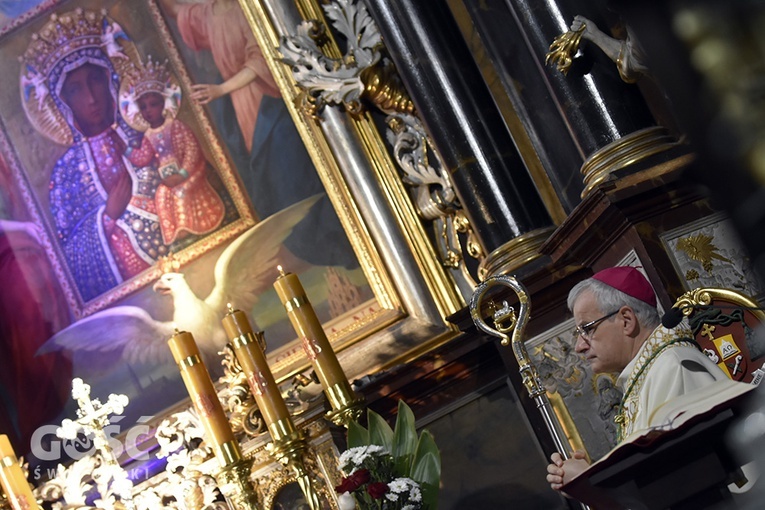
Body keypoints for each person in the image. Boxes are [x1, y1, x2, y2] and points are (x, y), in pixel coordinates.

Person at [159, 0, 358, 272]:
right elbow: (178, 13)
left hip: (268, 99)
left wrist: (221, 89)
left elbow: (260, 59)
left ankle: (346, 242)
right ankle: (336, 247)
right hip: (245, 109)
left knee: (291, 178)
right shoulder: (208, 13)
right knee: (271, 183)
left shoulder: (240, 8)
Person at [21, 9, 167, 302]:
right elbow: (70, 253)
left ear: (111, 80)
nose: (91, 97)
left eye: (96, 81)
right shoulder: (66, 173)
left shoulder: (148, 135)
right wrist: (106, 216)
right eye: (75, 89)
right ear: (62, 104)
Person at [545, 266, 731, 492]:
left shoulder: (674, 367)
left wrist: (592, 481)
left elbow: (683, 479)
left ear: (626, 320)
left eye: (587, 329)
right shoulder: (647, 374)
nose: (579, 346)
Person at [122, 57, 225, 245]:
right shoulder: (148, 135)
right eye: (143, 107)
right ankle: (175, 235)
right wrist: (126, 150)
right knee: (161, 195)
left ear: (163, 104)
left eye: (153, 104)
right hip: (169, 178)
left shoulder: (175, 126)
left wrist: (183, 173)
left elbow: (192, 150)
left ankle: (189, 229)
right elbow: (143, 157)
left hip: (191, 170)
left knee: (181, 192)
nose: (148, 111)